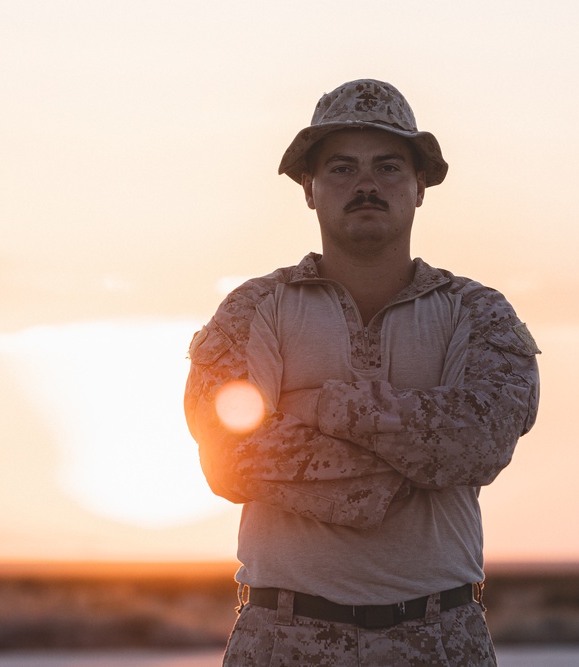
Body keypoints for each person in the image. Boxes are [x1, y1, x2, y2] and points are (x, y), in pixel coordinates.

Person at [184, 79, 541, 666]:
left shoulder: (478, 313)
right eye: (343, 169)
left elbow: (479, 442)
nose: (367, 185)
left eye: (389, 166)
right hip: (282, 639)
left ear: (420, 186)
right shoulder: (252, 309)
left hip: (440, 640)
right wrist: (404, 461)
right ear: (310, 189)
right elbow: (229, 457)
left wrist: (321, 408)